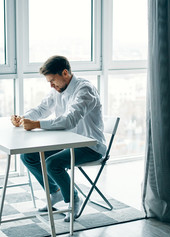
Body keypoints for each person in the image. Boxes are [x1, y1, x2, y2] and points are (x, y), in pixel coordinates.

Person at [10, 55, 106, 222]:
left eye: (53, 80)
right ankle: (55, 193)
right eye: (49, 82)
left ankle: (74, 198)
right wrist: (23, 118)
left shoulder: (85, 90)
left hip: (91, 145)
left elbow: (70, 120)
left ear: (65, 73)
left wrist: (37, 124)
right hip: (67, 142)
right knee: (28, 156)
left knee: (52, 164)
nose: (51, 85)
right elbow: (42, 109)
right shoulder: (58, 90)